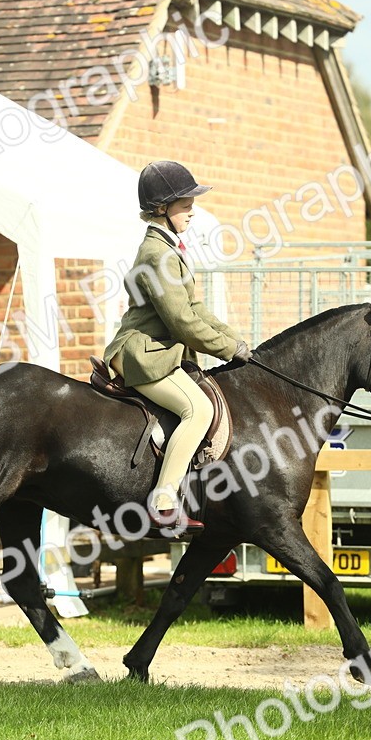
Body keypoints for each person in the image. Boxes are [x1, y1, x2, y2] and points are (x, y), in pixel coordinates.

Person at [103, 161, 252, 536]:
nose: (191, 210)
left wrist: (234, 339)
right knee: (198, 410)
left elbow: (194, 309)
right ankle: (165, 502)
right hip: (142, 353)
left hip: (159, 350)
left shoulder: (168, 249)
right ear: (160, 210)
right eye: (184, 204)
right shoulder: (158, 254)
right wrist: (227, 350)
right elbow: (181, 323)